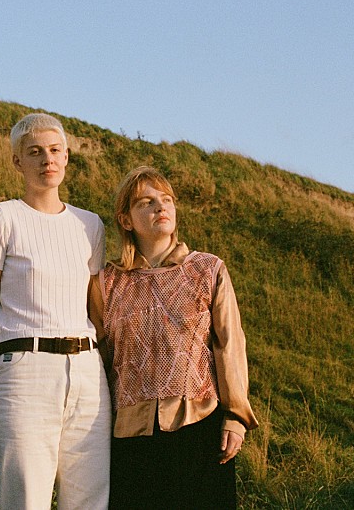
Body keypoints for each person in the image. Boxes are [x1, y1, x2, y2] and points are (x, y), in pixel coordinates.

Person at [90, 166, 259, 509]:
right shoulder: (107, 282)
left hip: (200, 427)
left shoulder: (208, 269)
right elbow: (98, 357)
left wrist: (236, 417)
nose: (160, 207)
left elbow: (229, 345)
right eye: (146, 202)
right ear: (125, 220)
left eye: (166, 200)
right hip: (130, 435)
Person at [0, 113, 111, 509]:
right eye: (34, 152)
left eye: (54, 150)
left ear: (66, 157)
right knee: (26, 499)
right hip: (25, 371)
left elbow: (94, 303)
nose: (47, 159)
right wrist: (7, 357)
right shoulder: (3, 217)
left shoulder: (90, 225)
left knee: (89, 499)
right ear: (18, 161)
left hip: (87, 373)